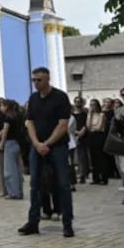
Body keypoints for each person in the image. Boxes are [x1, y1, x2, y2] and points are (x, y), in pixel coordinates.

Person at [18, 67, 74, 237]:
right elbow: (30, 122)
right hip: (37, 147)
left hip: (57, 147)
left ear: (47, 79)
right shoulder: (33, 98)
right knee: (35, 184)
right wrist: (36, 143)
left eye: (39, 80)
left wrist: (47, 143)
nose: (36, 83)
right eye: (34, 80)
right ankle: (33, 221)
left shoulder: (60, 97)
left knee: (62, 184)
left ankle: (67, 223)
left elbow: (63, 125)